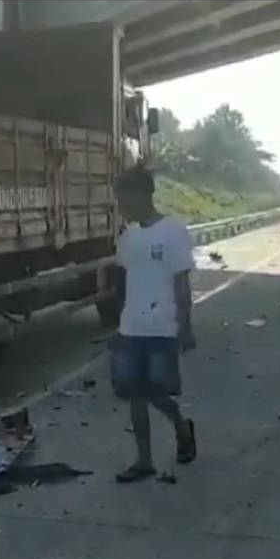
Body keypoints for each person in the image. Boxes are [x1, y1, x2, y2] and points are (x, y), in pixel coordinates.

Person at [108, 165, 198, 483]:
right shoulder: (129, 236)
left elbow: (182, 282)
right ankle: (143, 460)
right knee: (135, 395)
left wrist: (185, 325)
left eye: (122, 198)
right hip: (131, 327)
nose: (119, 205)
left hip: (162, 327)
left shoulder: (173, 231)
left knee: (158, 394)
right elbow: (124, 279)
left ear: (141, 195)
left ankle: (183, 428)